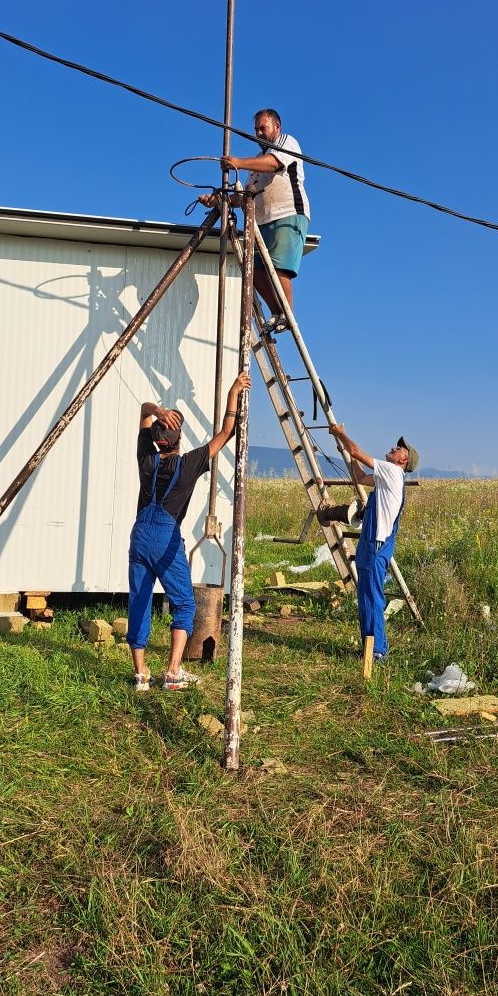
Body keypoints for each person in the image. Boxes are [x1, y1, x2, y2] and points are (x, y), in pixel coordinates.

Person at [128, 372, 251, 691]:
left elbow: (143, 410)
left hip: (139, 534)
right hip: (165, 538)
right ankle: (172, 672)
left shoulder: (147, 459)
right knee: (184, 604)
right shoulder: (191, 462)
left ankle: (141, 675)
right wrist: (233, 392)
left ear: (157, 439)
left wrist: (156, 410)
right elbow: (227, 431)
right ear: (178, 436)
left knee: (139, 601)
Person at [201, 108, 310, 334]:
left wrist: (239, 162)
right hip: (260, 222)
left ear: (276, 127)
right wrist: (217, 200)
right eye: (256, 129)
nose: (259, 133)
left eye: (264, 128)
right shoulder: (257, 163)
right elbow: (244, 197)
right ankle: (276, 312)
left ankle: (287, 314)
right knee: (255, 270)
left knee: (279, 268)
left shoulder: (287, 142)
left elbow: (275, 163)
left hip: (287, 213)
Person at [322, 427, 419, 662]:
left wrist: (339, 434)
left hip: (377, 544)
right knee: (365, 595)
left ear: (403, 460)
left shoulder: (393, 472)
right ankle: (369, 647)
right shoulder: (386, 477)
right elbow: (359, 477)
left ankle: (378, 651)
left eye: (399, 448)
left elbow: (356, 452)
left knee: (373, 596)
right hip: (371, 542)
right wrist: (345, 450)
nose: (393, 448)